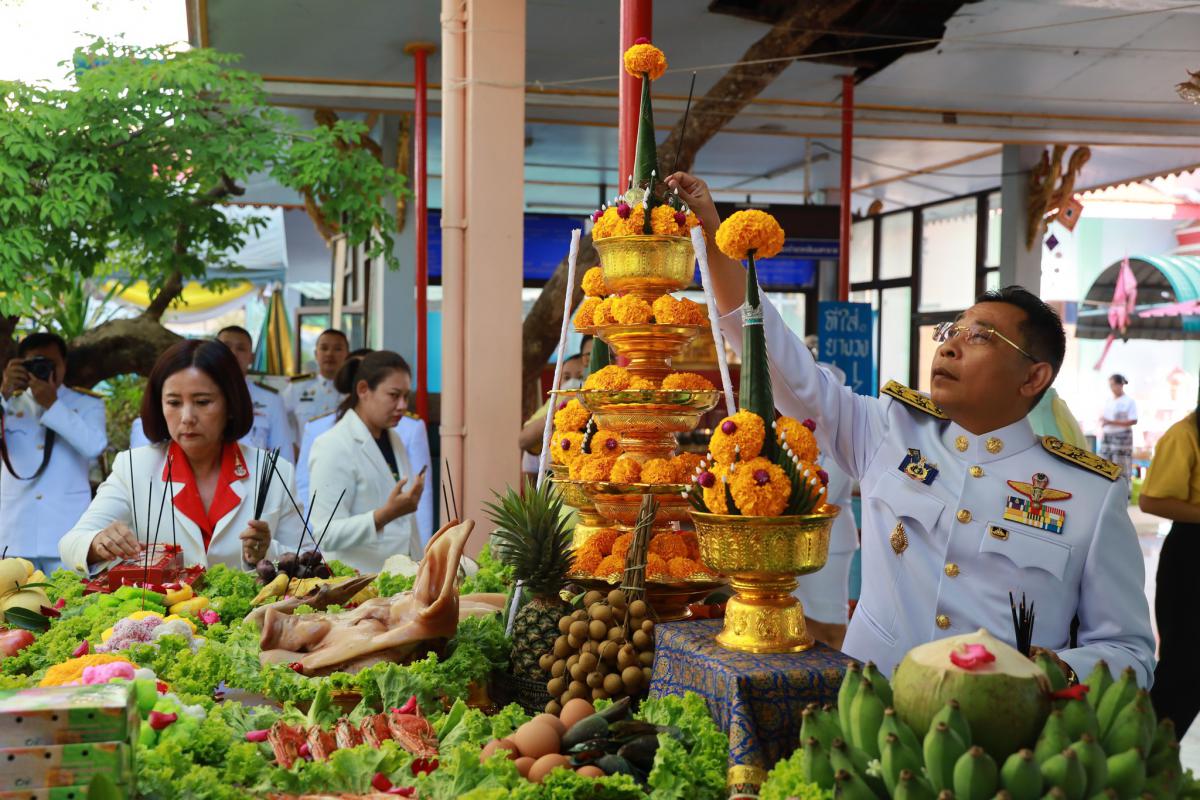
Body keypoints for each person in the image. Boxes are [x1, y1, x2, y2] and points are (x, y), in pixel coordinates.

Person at [669, 170, 1155, 684]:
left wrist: (1053, 670)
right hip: (868, 705)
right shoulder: (888, 430)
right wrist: (714, 231)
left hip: (995, 725)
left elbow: (1131, 652)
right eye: (951, 332)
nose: (949, 347)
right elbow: (778, 360)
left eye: (981, 337)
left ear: (1034, 377)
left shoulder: (1089, 495)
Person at [59, 340, 302, 572]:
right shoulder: (134, 467)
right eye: (174, 403)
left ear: (230, 404)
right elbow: (72, 543)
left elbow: (307, 560)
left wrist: (267, 552)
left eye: (203, 402)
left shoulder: (275, 472)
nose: (187, 417)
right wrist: (98, 543)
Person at [295, 349, 432, 548]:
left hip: (403, 565)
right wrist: (383, 516)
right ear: (363, 390)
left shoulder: (394, 439)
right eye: (394, 395)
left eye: (406, 396)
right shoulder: (333, 445)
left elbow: (409, 526)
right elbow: (325, 534)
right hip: (359, 568)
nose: (402, 405)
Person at [0, 333, 108, 574]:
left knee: (70, 596)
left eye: (50, 363)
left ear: (64, 365)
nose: (43, 369)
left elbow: (94, 446)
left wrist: (53, 406)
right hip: (15, 531)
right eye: (34, 363)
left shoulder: (88, 403)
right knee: (13, 597)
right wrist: (3, 392)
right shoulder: (9, 403)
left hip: (67, 531)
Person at [1138, 400, 1200, 735]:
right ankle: (1147, 751)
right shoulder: (1184, 434)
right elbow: (1151, 500)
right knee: (1183, 666)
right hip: (1191, 555)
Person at [794, 360, 858, 651]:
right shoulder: (799, 437)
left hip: (831, 543)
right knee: (804, 623)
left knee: (831, 624)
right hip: (800, 542)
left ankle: (843, 673)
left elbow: (824, 494)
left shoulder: (841, 440)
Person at [281, 328, 349, 445]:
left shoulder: (354, 389)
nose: (329, 354)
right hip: (306, 454)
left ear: (347, 355)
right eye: (324, 348)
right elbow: (277, 416)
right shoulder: (297, 387)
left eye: (337, 349)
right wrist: (291, 443)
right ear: (316, 354)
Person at [1099, 374, 1137, 479]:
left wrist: (1111, 422)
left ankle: (1123, 488)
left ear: (1120, 385)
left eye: (1113, 385)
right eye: (1110, 385)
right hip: (1107, 436)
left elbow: (1133, 420)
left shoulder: (1128, 401)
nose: (1111, 388)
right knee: (1105, 465)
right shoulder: (1109, 400)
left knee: (1120, 467)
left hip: (1122, 438)